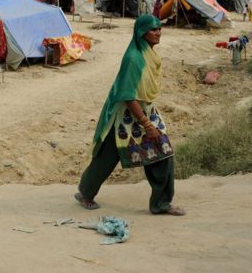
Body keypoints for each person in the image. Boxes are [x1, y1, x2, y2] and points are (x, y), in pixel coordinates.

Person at [75, 15, 185, 216]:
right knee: (107, 158)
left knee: (163, 152)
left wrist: (149, 122)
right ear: (142, 33)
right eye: (153, 29)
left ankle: (161, 203)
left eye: (159, 28)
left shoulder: (150, 54)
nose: (158, 32)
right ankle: (85, 193)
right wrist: (147, 125)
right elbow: (126, 95)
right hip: (126, 115)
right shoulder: (133, 58)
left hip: (147, 110)